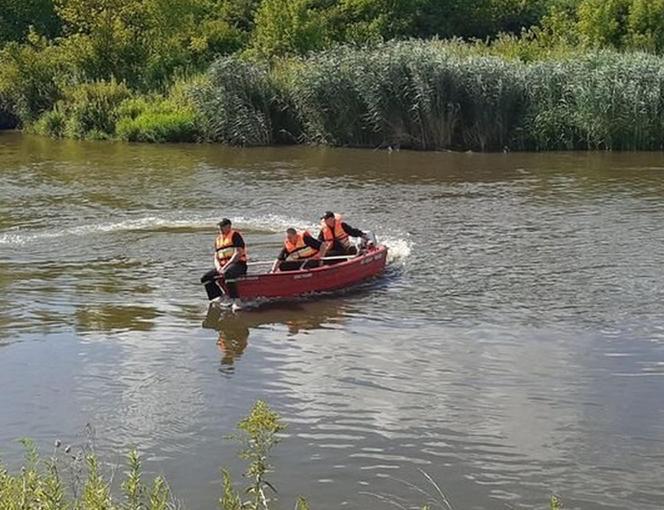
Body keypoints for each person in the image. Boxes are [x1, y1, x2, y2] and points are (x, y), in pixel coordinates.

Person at [200, 218, 247, 309]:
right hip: (222, 266)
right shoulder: (218, 239)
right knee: (205, 278)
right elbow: (216, 257)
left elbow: (239, 253)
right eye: (219, 226)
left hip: (238, 264)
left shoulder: (235, 235)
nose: (220, 228)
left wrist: (226, 266)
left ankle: (236, 301)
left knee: (228, 274)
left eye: (222, 226)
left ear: (229, 226)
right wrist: (218, 267)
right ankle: (218, 298)